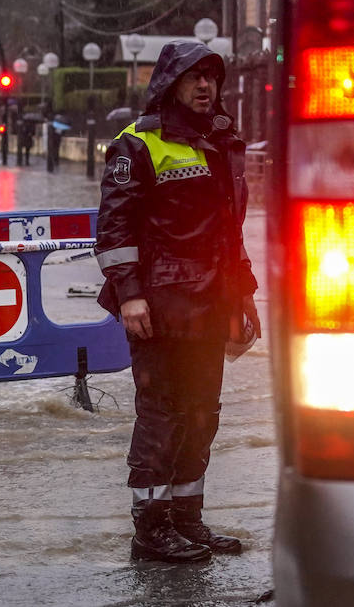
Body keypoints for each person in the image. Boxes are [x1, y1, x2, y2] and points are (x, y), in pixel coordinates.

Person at [95, 40, 261, 564]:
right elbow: (114, 227)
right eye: (194, 78)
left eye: (211, 77)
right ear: (170, 83)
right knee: (162, 414)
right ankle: (151, 530)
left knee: (200, 412)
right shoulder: (137, 144)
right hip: (160, 302)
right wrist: (130, 295)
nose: (205, 86)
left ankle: (188, 521)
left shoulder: (223, 140)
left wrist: (244, 297)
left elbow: (229, 234)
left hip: (211, 302)